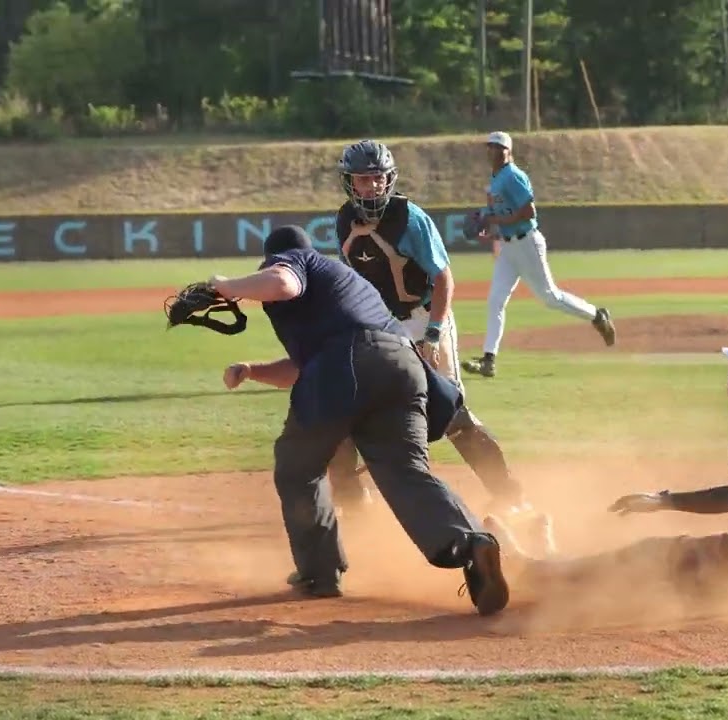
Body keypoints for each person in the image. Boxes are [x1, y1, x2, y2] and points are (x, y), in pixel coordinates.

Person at [207, 225, 510, 616]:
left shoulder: (298, 261)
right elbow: (306, 367)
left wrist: (227, 285)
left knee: (298, 466)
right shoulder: (342, 283)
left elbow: (283, 284)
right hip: (401, 368)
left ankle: (320, 573)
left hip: (349, 364)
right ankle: (472, 545)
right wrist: (251, 370)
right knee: (406, 472)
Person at [484, 332, 728, 610]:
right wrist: (662, 501)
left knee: (647, 562)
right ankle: (553, 565)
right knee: (652, 568)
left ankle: (532, 572)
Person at [316, 138, 556, 555]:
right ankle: (357, 512)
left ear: (389, 179)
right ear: (348, 183)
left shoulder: (410, 219)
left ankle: (511, 496)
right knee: (345, 415)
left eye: (377, 179)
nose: (371, 187)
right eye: (362, 180)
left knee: (452, 415)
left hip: (425, 319)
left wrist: (432, 335)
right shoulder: (343, 222)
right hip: (382, 328)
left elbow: (443, 279)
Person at [461, 131, 617, 379]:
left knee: (550, 297)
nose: (492, 150)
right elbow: (494, 216)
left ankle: (597, 315)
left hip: (527, 243)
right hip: (509, 248)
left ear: (508, 151)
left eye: (498, 147)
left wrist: (496, 219)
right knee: (495, 300)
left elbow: (529, 212)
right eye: (489, 147)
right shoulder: (494, 179)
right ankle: (489, 360)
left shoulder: (513, 176)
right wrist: (485, 222)